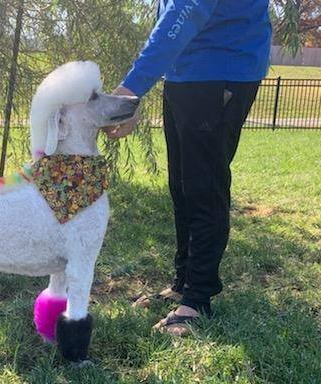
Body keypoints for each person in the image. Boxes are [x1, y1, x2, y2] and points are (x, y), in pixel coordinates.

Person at [107, 0, 272, 335]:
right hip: (185, 71)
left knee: (203, 186)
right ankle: (184, 282)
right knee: (182, 185)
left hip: (220, 68)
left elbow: (190, 8)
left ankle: (197, 299)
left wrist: (133, 87)